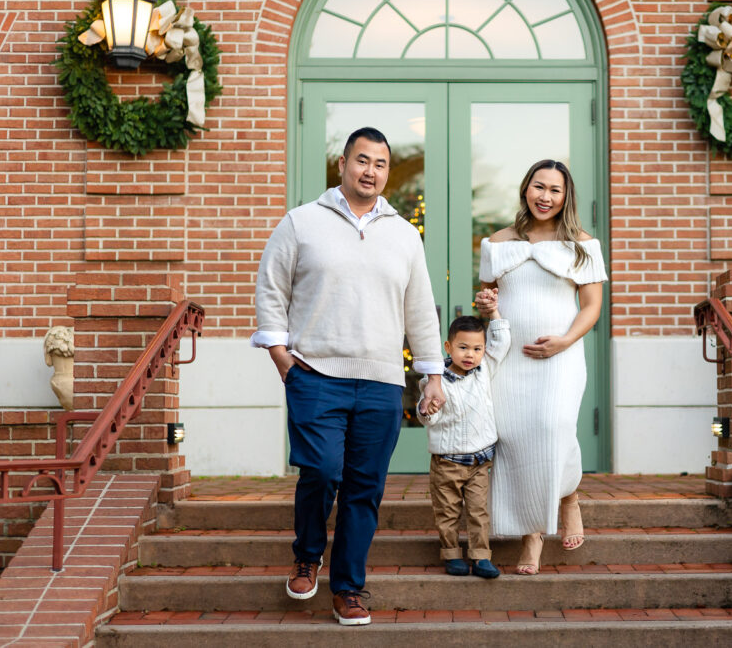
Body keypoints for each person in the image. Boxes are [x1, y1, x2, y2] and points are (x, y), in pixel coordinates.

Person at [252, 127, 446, 626]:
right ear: (342, 164)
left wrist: (431, 374)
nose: (372, 171)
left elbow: (420, 308)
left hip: (381, 381)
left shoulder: (403, 232)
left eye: (381, 164)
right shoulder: (301, 223)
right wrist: (280, 354)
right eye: (363, 161)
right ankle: (307, 555)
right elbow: (271, 288)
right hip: (315, 373)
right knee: (320, 471)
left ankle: (348, 588)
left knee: (364, 488)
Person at [474, 159, 608, 575]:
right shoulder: (498, 242)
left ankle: (536, 534)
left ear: (566, 197)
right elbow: (488, 302)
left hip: (560, 358)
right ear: (525, 189)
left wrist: (565, 341)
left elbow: (592, 307)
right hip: (510, 359)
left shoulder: (582, 244)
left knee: (553, 427)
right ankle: (564, 497)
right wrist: (485, 306)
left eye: (555, 190)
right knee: (513, 437)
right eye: (538, 187)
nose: (545, 197)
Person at [416, 303, 509, 580]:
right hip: (447, 461)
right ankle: (452, 554)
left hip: (479, 461)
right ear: (448, 346)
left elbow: (502, 341)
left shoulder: (485, 370)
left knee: (479, 512)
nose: (470, 355)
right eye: (463, 347)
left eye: (477, 349)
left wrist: (493, 313)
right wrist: (427, 410)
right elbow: (427, 414)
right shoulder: (434, 381)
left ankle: (481, 556)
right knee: (447, 512)